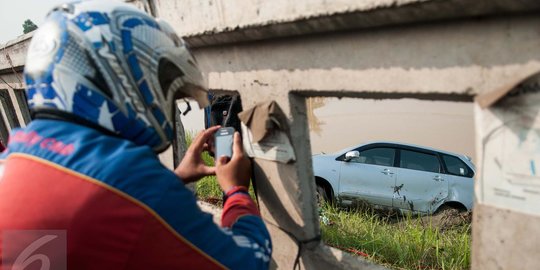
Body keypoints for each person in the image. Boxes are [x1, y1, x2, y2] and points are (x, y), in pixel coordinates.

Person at [0, 1, 271, 269]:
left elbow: (79, 223)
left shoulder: (17, 155)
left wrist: (174, 180)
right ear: (122, 85)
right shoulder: (132, 183)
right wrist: (236, 191)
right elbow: (248, 263)